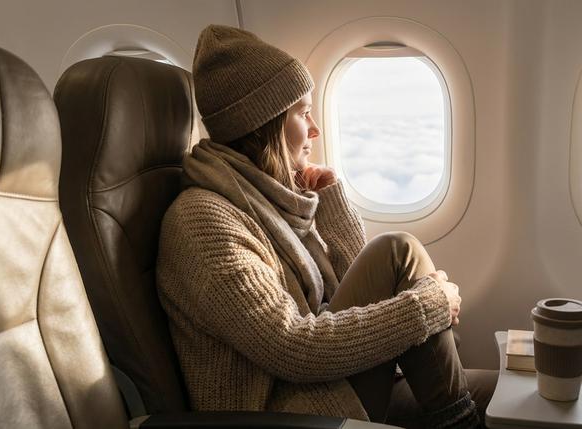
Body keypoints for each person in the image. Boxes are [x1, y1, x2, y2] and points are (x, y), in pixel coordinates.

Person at [156, 24, 497, 428]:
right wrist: (426, 307)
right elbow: (292, 347)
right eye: (302, 113)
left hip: (325, 385)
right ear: (263, 123)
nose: (315, 129)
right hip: (285, 412)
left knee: (506, 394)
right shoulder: (202, 222)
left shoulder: (262, 196)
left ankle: (459, 418)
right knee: (398, 250)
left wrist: (330, 198)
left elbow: (361, 285)